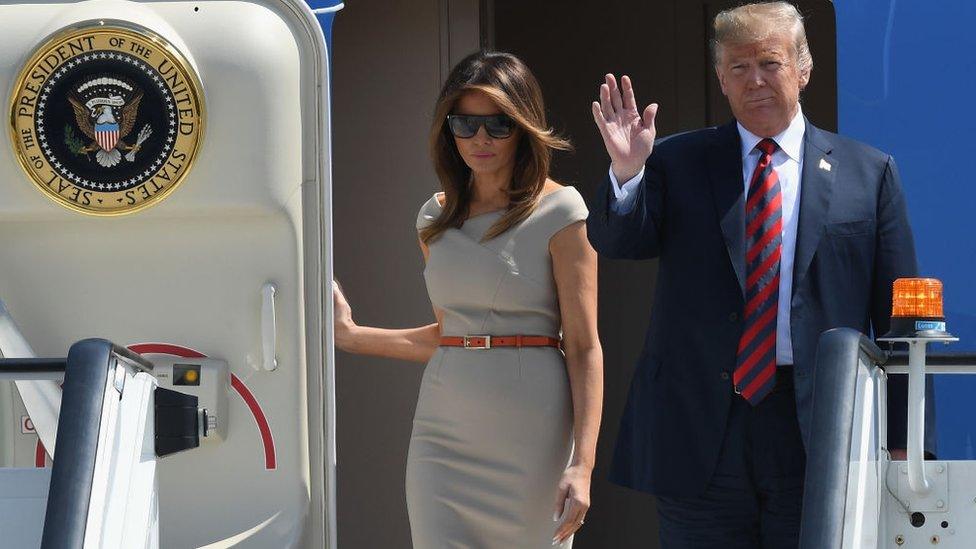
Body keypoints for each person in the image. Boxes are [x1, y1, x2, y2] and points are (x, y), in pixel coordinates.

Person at [586, 2, 934, 547]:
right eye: (738, 68)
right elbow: (619, 243)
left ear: (803, 68)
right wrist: (628, 173)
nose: (755, 81)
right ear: (721, 80)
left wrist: (905, 442)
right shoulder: (676, 162)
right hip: (701, 430)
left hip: (817, 430)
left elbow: (900, 319)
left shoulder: (868, 173)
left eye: (769, 63)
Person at [332, 50, 603, 548]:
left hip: (533, 438)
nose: (480, 139)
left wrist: (583, 465)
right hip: (443, 439)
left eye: (498, 125)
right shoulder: (433, 220)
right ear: (447, 129)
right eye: (465, 124)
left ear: (522, 127)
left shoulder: (563, 211)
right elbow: (451, 336)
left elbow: (585, 347)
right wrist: (351, 337)